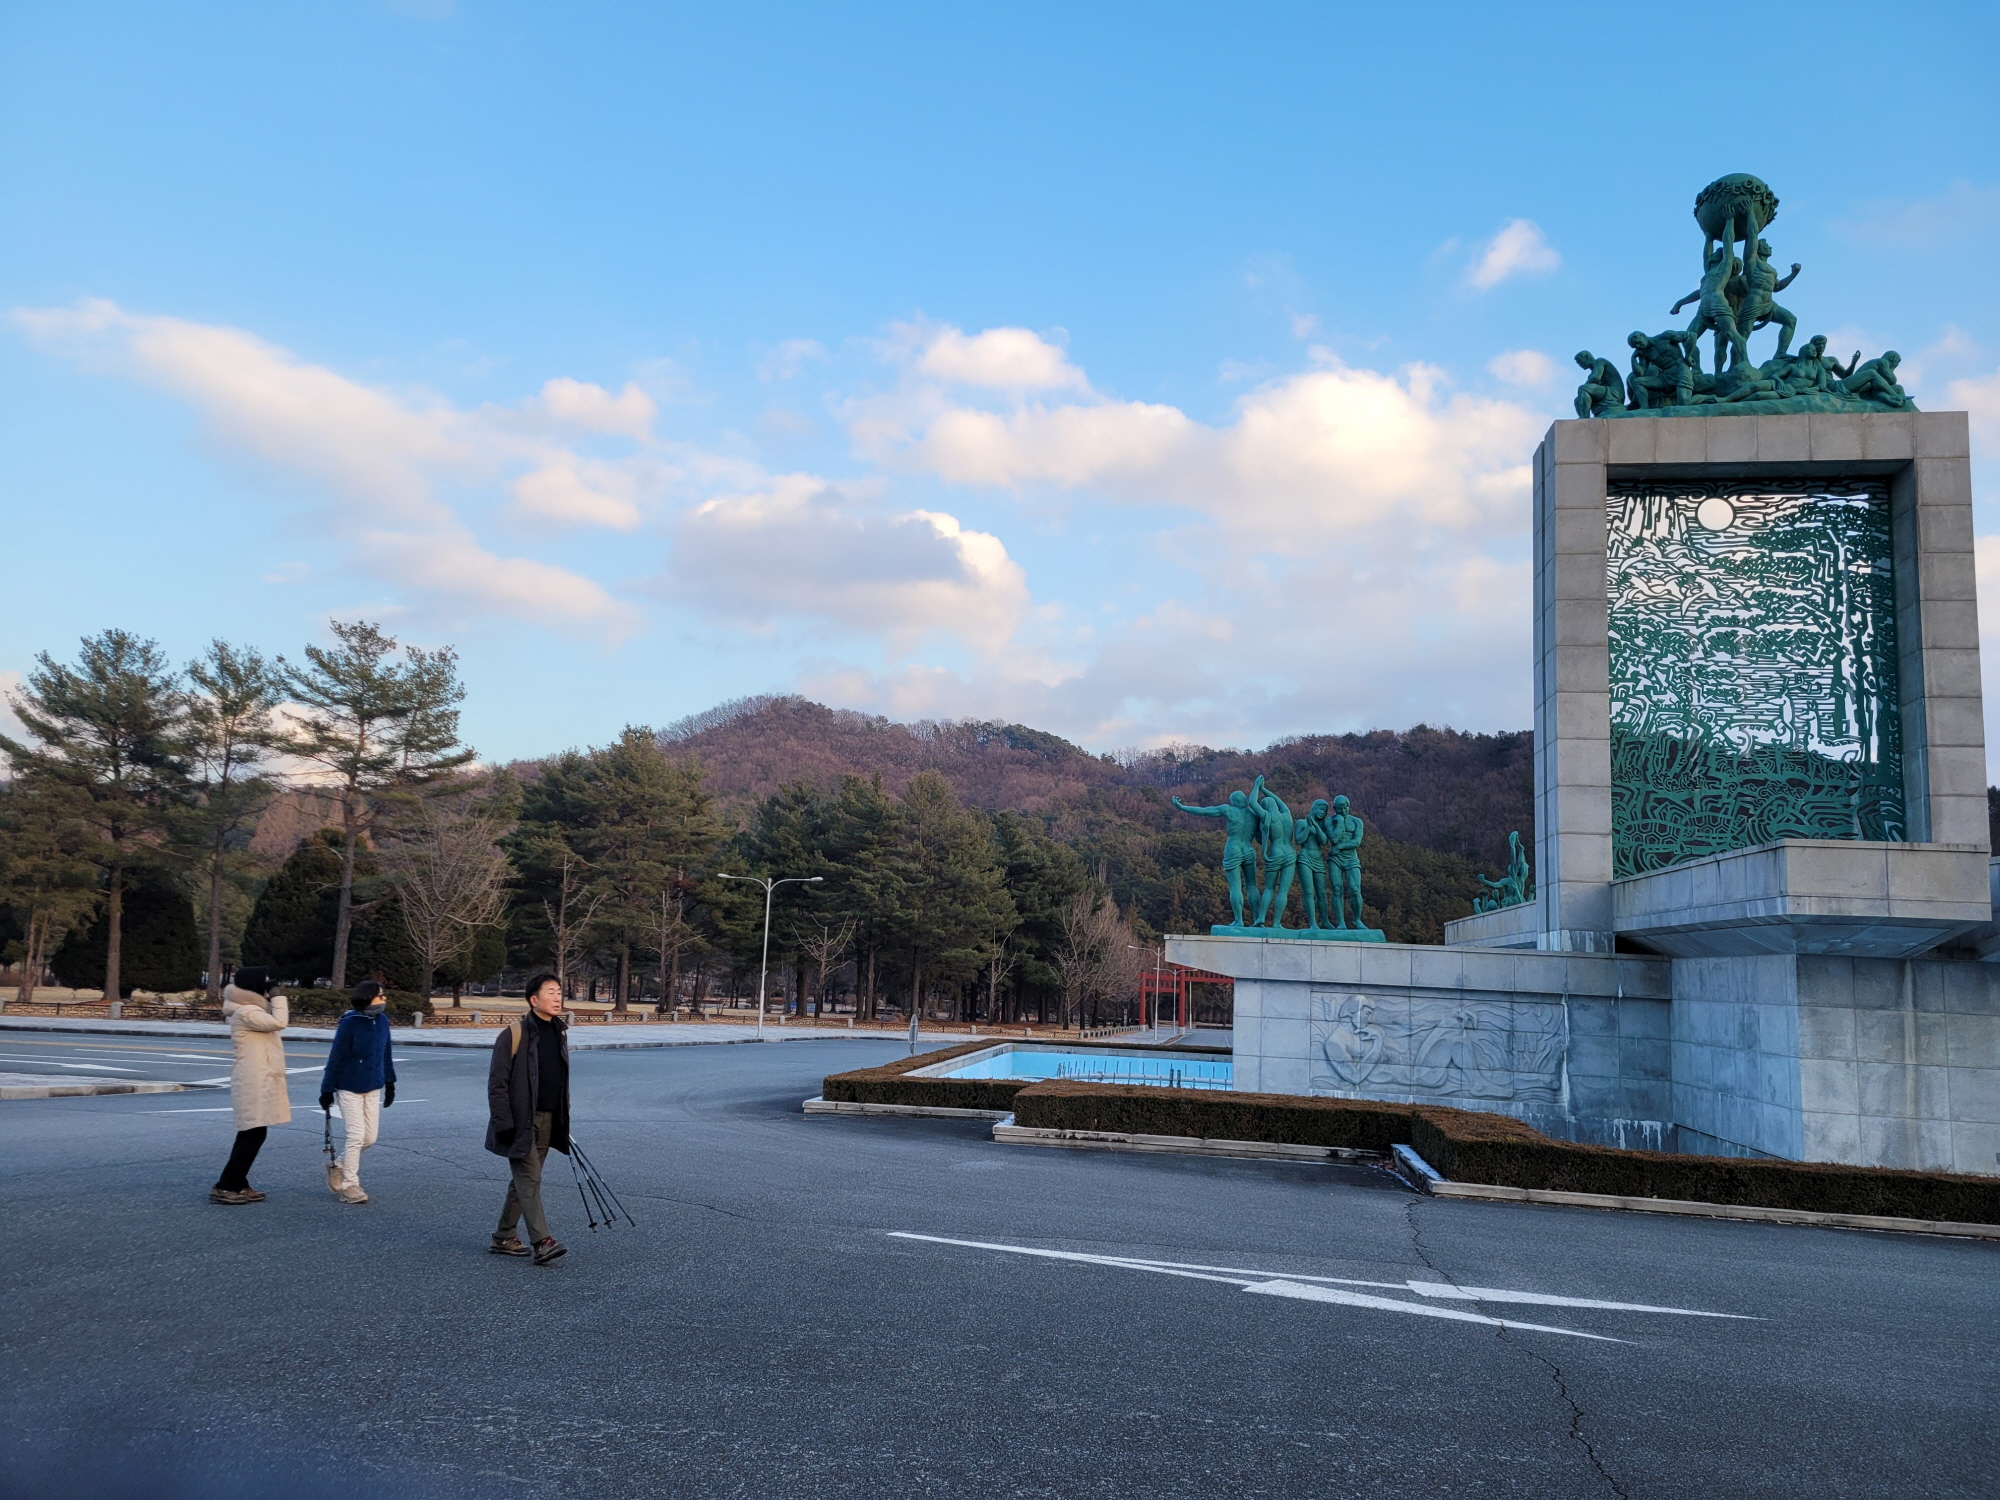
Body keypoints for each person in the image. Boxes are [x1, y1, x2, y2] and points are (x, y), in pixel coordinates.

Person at [486, 971, 571, 1265]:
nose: (557, 997)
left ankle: (503, 1236)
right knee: (530, 1177)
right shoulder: (514, 1034)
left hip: (548, 1119)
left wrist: (561, 1119)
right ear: (534, 1000)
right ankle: (542, 1242)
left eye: (559, 992)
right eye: (550, 992)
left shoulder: (559, 1032)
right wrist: (504, 1124)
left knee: (525, 1180)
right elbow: (497, 1083)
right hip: (519, 1121)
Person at [211, 966, 289, 1205]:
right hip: (254, 1079)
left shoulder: (250, 1010)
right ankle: (226, 1185)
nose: (268, 986)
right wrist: (278, 996)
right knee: (254, 1132)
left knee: (250, 1131)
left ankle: (237, 1182)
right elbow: (280, 1022)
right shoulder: (247, 1011)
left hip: (258, 1076)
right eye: (265, 982)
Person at [317, 980, 397, 1205]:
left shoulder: (382, 1021)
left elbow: (386, 1053)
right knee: (356, 1136)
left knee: (370, 1138)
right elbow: (336, 1057)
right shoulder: (350, 1022)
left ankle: (338, 1165)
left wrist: (390, 1083)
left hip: (373, 1086)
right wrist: (326, 1089)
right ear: (368, 997)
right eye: (380, 995)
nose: (384, 999)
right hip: (349, 1086)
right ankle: (350, 1185)